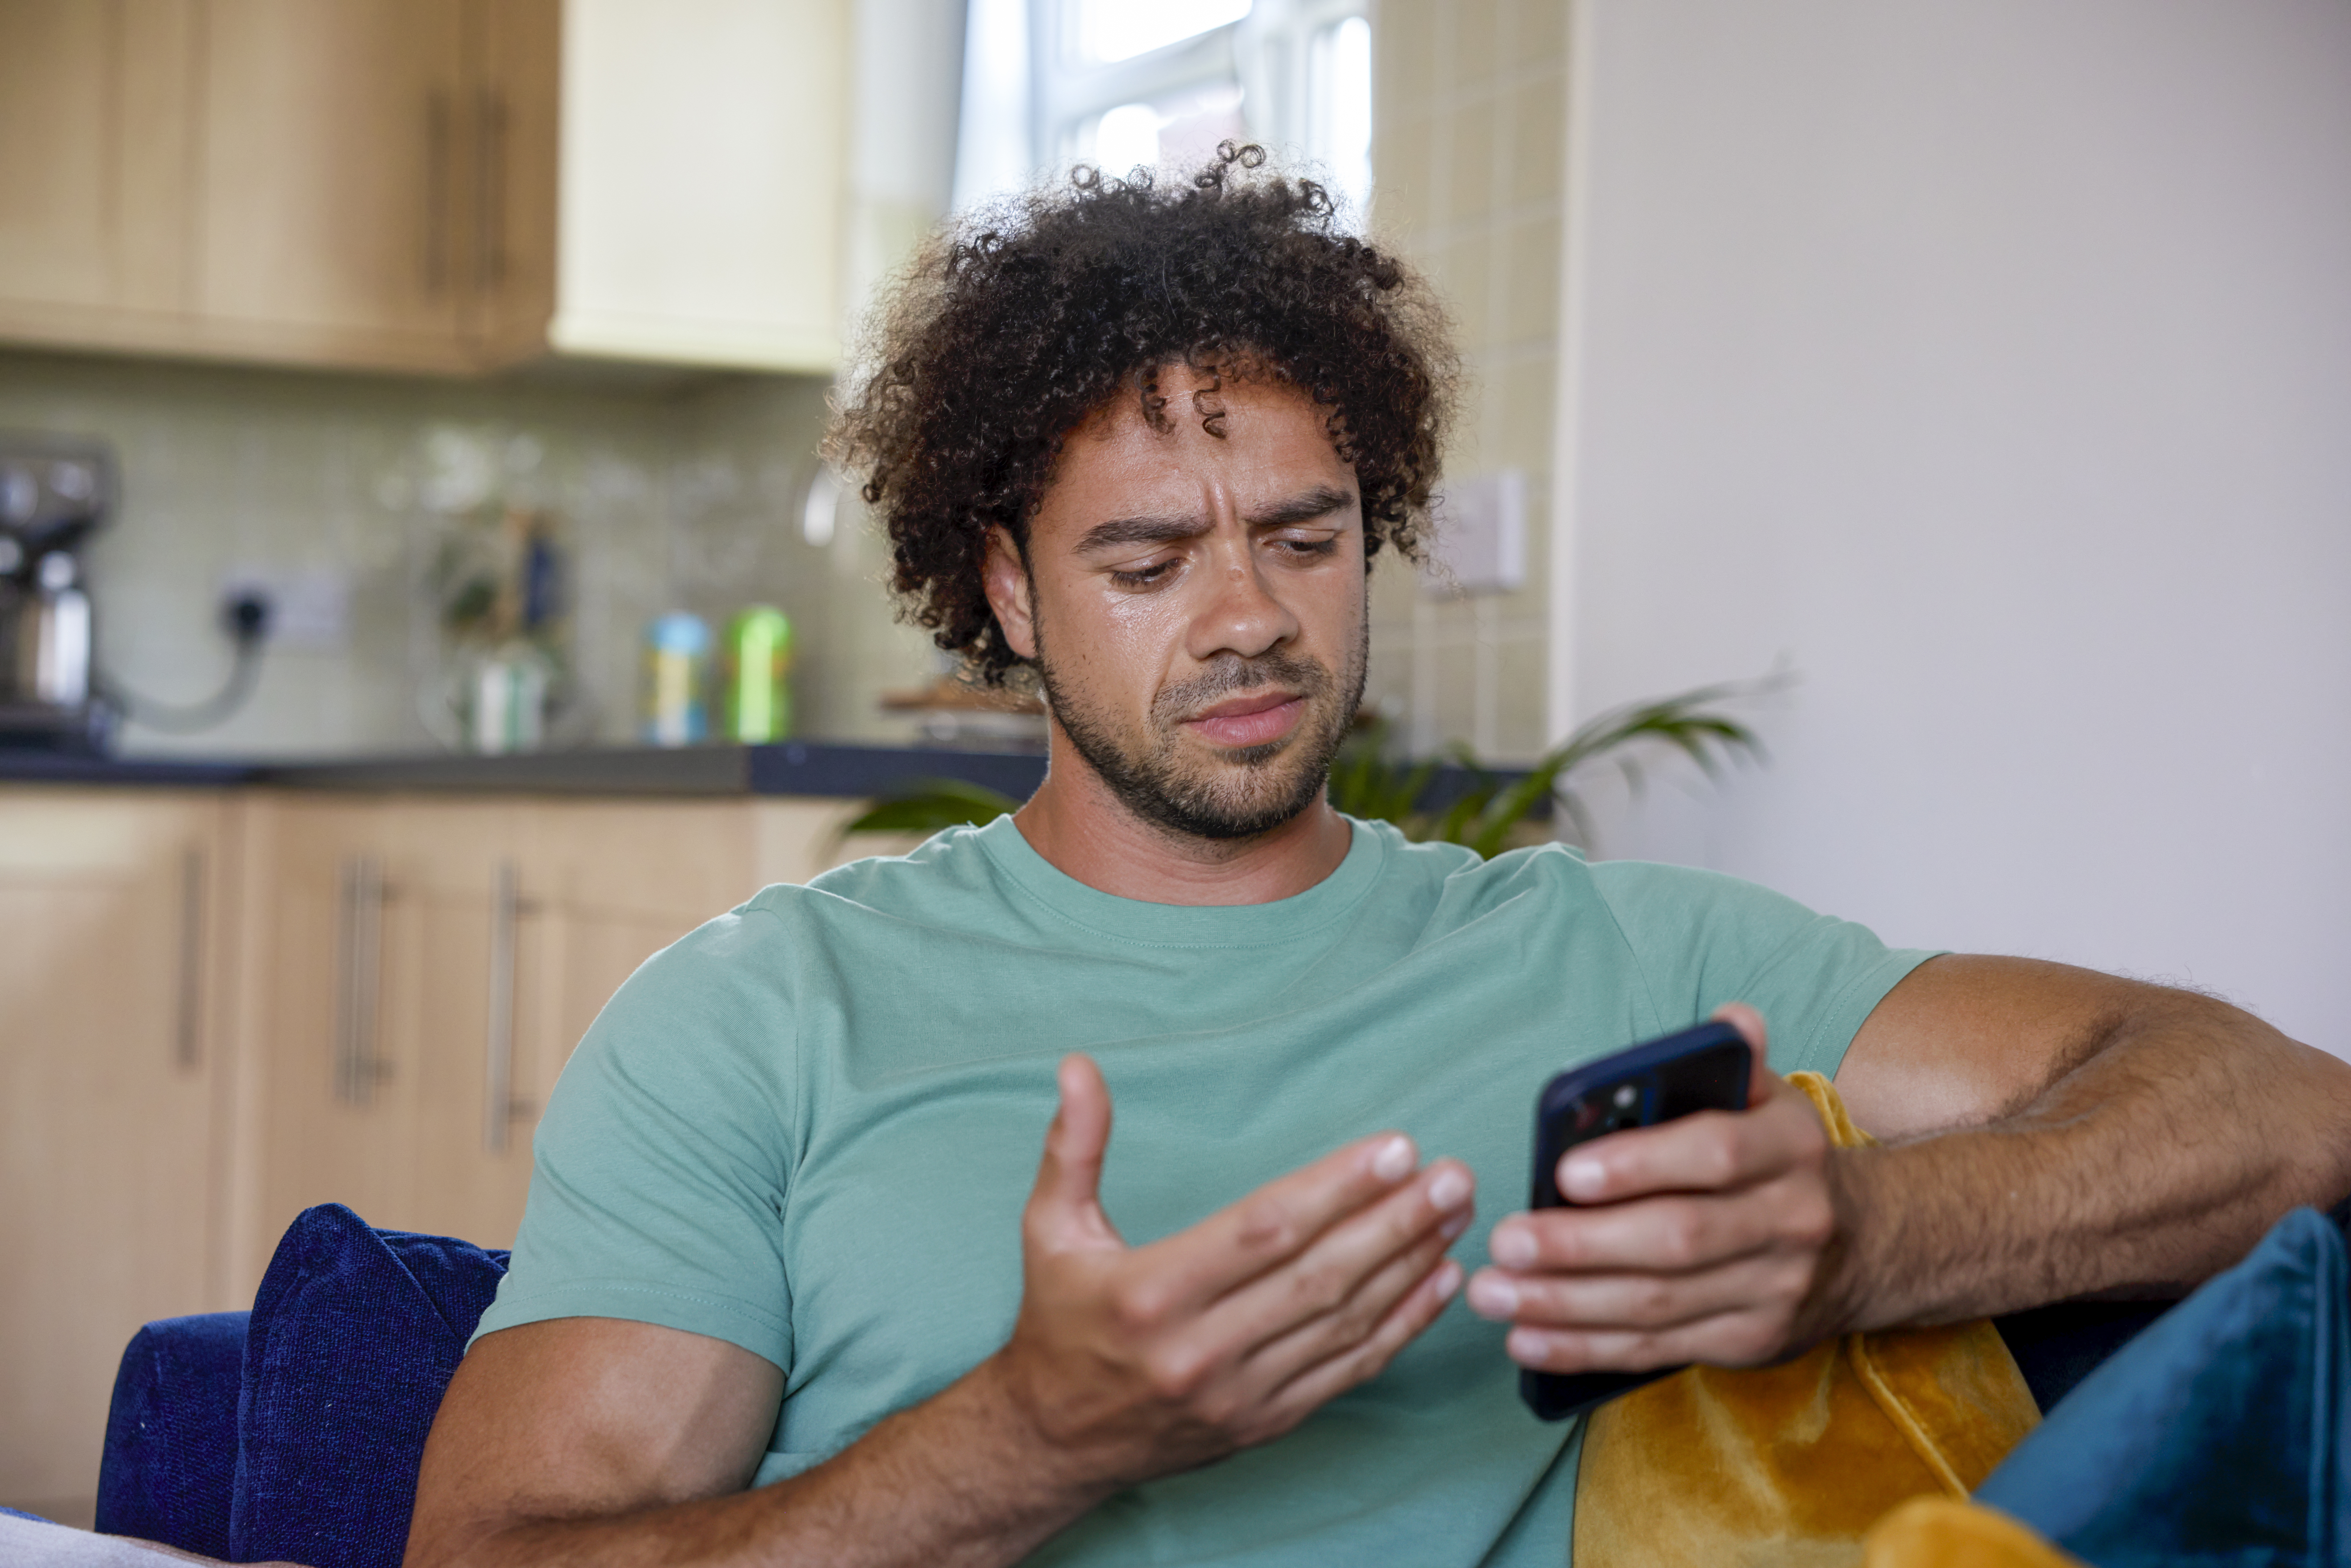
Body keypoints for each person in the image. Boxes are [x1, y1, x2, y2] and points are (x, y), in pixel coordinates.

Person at [401, 149, 2351, 1568]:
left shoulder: (1616, 951)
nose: (1246, 617)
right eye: (1149, 562)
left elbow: (2283, 1108)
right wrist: (1038, 1432)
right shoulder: (761, 1014)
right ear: (1002, 583)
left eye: (1306, 537)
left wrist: (1864, 1241)